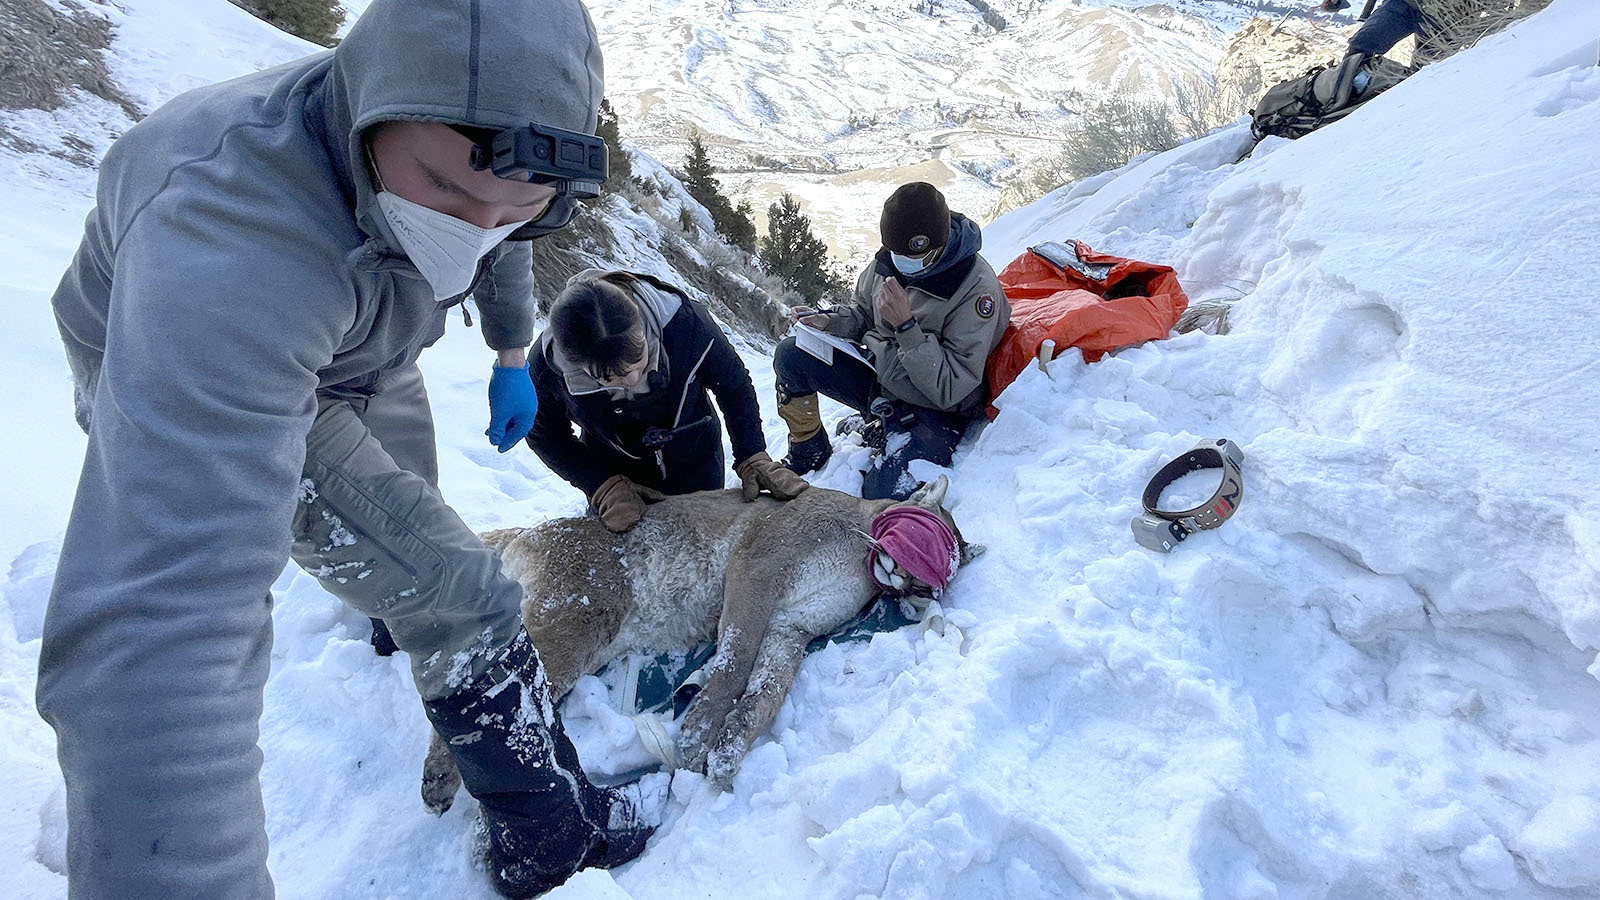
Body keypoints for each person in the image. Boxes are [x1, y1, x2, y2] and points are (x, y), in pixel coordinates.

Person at [37, 1, 651, 897]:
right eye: (445, 191)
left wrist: (512, 350)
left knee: (413, 522)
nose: (477, 225)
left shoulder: (462, 169)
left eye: (517, 206)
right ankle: (545, 831)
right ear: (367, 110)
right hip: (211, 358)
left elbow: (502, 222)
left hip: (362, 337)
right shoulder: (232, 244)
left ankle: (390, 612)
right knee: (459, 591)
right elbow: (158, 635)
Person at [772, 182, 1010, 501]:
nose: (901, 262)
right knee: (792, 355)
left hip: (935, 408)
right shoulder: (890, 259)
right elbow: (864, 312)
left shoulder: (974, 288)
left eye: (914, 255)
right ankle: (809, 450)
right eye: (896, 252)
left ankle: (887, 427)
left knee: (883, 493)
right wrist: (830, 321)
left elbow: (953, 388)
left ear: (938, 245)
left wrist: (906, 326)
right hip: (883, 376)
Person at [525, 270, 808, 530]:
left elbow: (734, 387)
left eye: (639, 361)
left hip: (695, 455)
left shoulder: (687, 325)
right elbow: (543, 433)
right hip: (614, 474)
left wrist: (752, 455)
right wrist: (600, 484)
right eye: (612, 379)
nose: (634, 380)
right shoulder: (547, 368)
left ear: (642, 330)